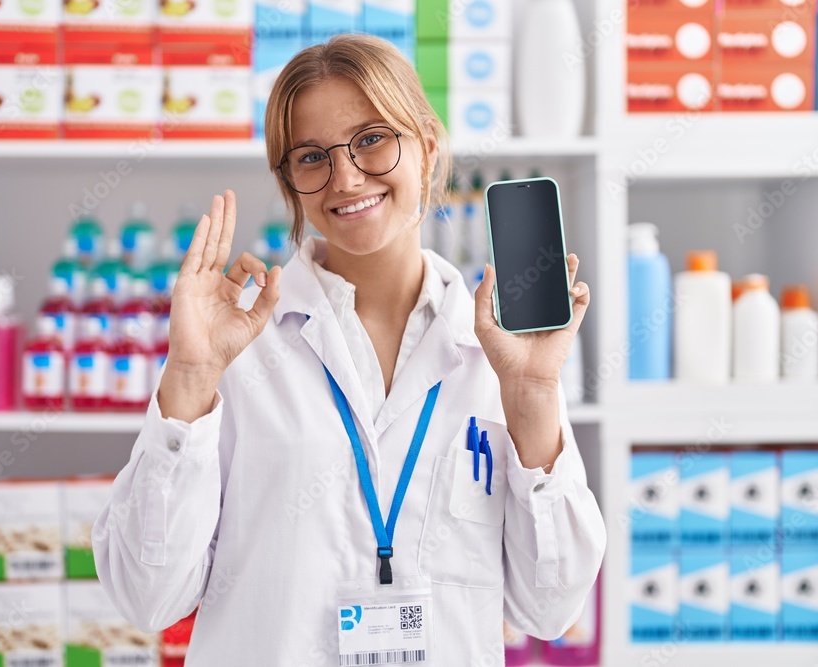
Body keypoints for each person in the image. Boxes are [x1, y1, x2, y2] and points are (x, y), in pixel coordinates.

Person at [93, 33, 605, 665]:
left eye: (371, 140)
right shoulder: (236, 349)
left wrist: (531, 398)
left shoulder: (498, 353)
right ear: (289, 182)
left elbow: (551, 608)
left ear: (427, 146)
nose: (345, 176)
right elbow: (147, 598)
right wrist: (191, 378)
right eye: (311, 156)